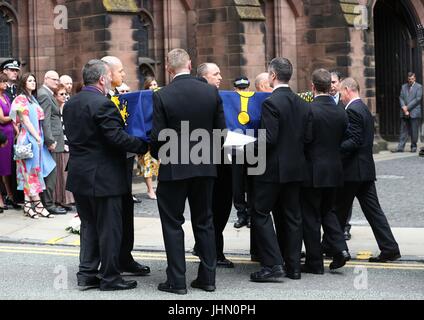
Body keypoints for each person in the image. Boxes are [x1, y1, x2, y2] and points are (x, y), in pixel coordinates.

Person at [63, 59, 148, 291]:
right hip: (103, 176)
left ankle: (87, 274)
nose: (111, 80)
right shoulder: (103, 104)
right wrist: (143, 145)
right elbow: (116, 138)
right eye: (109, 76)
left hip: (80, 174)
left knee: (89, 225)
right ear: (102, 78)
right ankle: (110, 278)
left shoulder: (71, 103)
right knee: (110, 227)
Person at [151, 49, 226, 294]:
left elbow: (158, 137)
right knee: (204, 222)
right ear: (191, 64)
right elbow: (221, 133)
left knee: (173, 223)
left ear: (168, 69)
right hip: (205, 165)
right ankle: (208, 279)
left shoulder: (162, 95)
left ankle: (177, 281)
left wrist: (158, 154)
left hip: (174, 167)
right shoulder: (210, 92)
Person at [250, 57, 312, 282]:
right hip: (296, 168)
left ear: (273, 76)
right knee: (293, 217)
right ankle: (293, 267)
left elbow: (269, 139)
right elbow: (308, 138)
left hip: (272, 170)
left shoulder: (271, 102)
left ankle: (273, 264)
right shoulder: (303, 103)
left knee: (260, 213)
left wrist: (245, 145)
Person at [335, 77, 401, 263]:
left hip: (353, 172)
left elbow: (354, 141)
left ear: (348, 90)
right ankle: (390, 248)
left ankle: (331, 246)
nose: (340, 97)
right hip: (364, 171)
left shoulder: (353, 110)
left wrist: (334, 150)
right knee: (373, 212)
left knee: (337, 211)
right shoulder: (364, 108)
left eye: (341, 93)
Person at [101, 55, 151, 277]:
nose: (123, 75)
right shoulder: (101, 100)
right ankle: (111, 262)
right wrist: (141, 145)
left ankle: (125, 257)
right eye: (120, 71)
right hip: (108, 164)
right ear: (108, 74)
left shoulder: (116, 96)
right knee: (112, 217)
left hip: (124, 161)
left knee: (126, 210)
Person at [301, 69, 351, 274]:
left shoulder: (309, 110)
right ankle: (340, 249)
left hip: (314, 170)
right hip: (335, 169)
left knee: (311, 216)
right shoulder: (341, 110)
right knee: (328, 212)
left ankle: (314, 262)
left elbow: (305, 140)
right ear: (330, 86)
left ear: (313, 87)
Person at [193, 62, 234, 268]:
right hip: (211, 159)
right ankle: (213, 251)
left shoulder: (221, 96)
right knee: (213, 208)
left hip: (221, 159)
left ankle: (207, 247)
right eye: (215, 74)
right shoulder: (208, 97)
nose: (220, 78)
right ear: (203, 77)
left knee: (220, 206)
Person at [10, 73, 56, 219]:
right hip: (28, 139)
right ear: (23, 83)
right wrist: (37, 138)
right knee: (29, 172)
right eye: (29, 80)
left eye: (34, 80)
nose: (33, 83)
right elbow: (25, 121)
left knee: (31, 172)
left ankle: (28, 206)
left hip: (36, 138)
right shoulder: (21, 99)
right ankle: (38, 205)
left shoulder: (33, 99)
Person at [38, 71, 67, 215]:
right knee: (50, 173)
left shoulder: (47, 93)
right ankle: (48, 204)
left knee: (52, 173)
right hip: (52, 140)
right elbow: (45, 120)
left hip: (55, 139)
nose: (57, 82)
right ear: (46, 79)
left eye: (58, 79)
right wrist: (50, 140)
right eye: (54, 79)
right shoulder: (44, 94)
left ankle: (50, 202)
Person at [0, 73, 20, 211]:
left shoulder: (6, 97)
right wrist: (14, 115)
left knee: (8, 168)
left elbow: (11, 117)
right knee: (1, 167)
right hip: (2, 136)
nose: (6, 84)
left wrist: (16, 130)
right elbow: (1, 119)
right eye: (3, 81)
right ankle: (1, 199)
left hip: (10, 134)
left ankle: (10, 195)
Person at [53, 84, 74, 210]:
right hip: (60, 144)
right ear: (55, 96)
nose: (65, 96)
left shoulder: (67, 107)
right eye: (61, 94)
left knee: (67, 173)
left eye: (65, 94)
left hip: (68, 143)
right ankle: (60, 199)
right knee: (60, 174)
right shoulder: (55, 109)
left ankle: (68, 199)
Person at [139, 76, 160, 200]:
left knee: (158, 163)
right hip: (145, 136)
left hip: (156, 135)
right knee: (147, 164)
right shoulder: (142, 99)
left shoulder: (159, 98)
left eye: (155, 84)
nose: (154, 87)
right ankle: (150, 189)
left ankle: (157, 188)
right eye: (151, 85)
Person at [392, 72, 423, 153]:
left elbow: (417, 99)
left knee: (414, 130)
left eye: (412, 79)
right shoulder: (403, 86)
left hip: (414, 112)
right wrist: (403, 107)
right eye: (409, 79)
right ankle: (400, 147)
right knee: (403, 130)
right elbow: (401, 97)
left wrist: (407, 108)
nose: (410, 81)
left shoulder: (419, 87)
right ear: (407, 79)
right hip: (404, 112)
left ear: (415, 78)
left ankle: (413, 146)